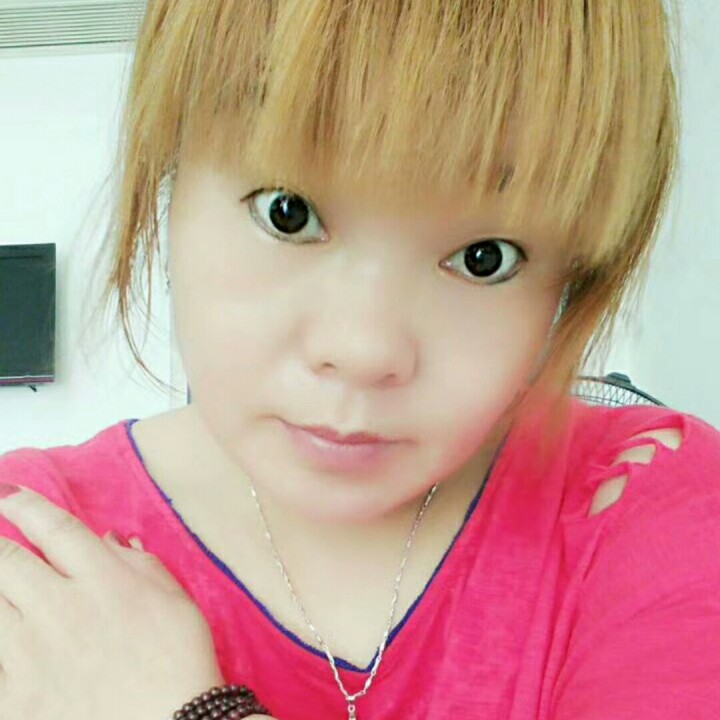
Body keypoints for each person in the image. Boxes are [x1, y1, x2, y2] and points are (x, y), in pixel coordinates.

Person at [1, 1, 719, 719]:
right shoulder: (29, 555)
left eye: (484, 258)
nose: (362, 351)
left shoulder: (645, 505)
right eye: (287, 212)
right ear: (171, 175)